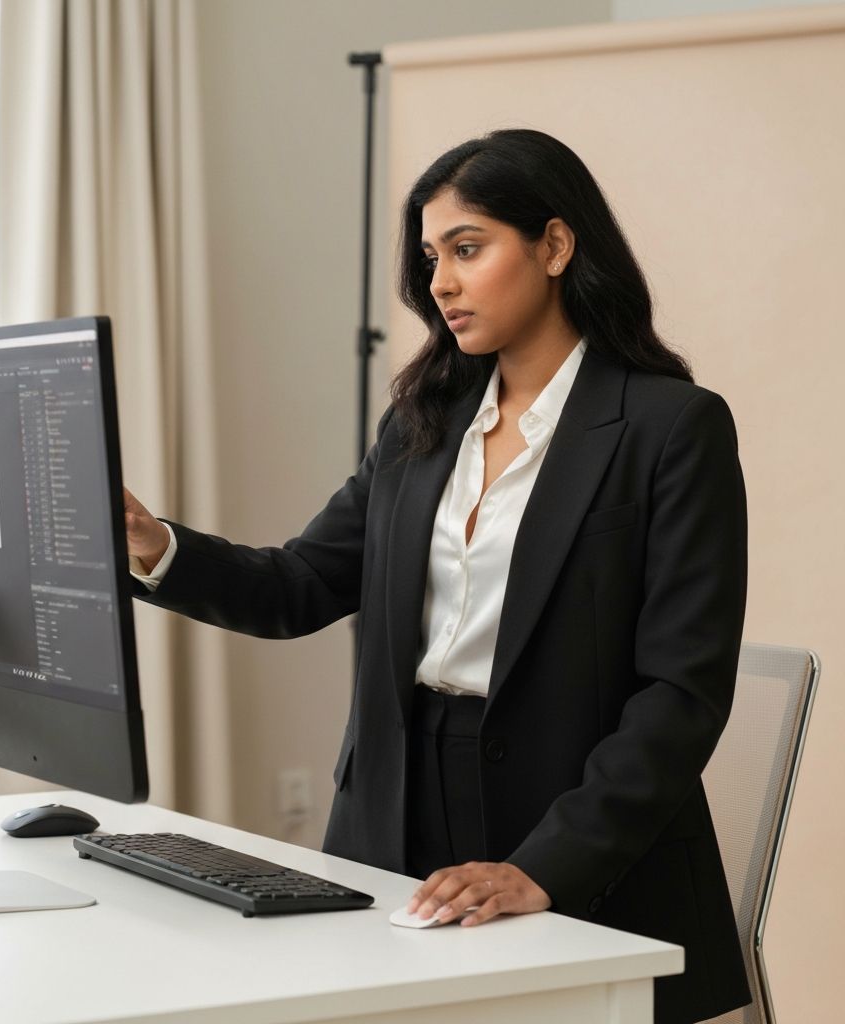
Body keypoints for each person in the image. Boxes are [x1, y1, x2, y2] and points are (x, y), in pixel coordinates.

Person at [123, 128, 749, 1024]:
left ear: (556, 245)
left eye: (468, 248)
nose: (441, 283)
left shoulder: (669, 427)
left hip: (572, 831)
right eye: (431, 258)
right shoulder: (424, 421)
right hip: (396, 811)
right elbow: (301, 583)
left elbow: (681, 693)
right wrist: (156, 547)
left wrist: (544, 868)